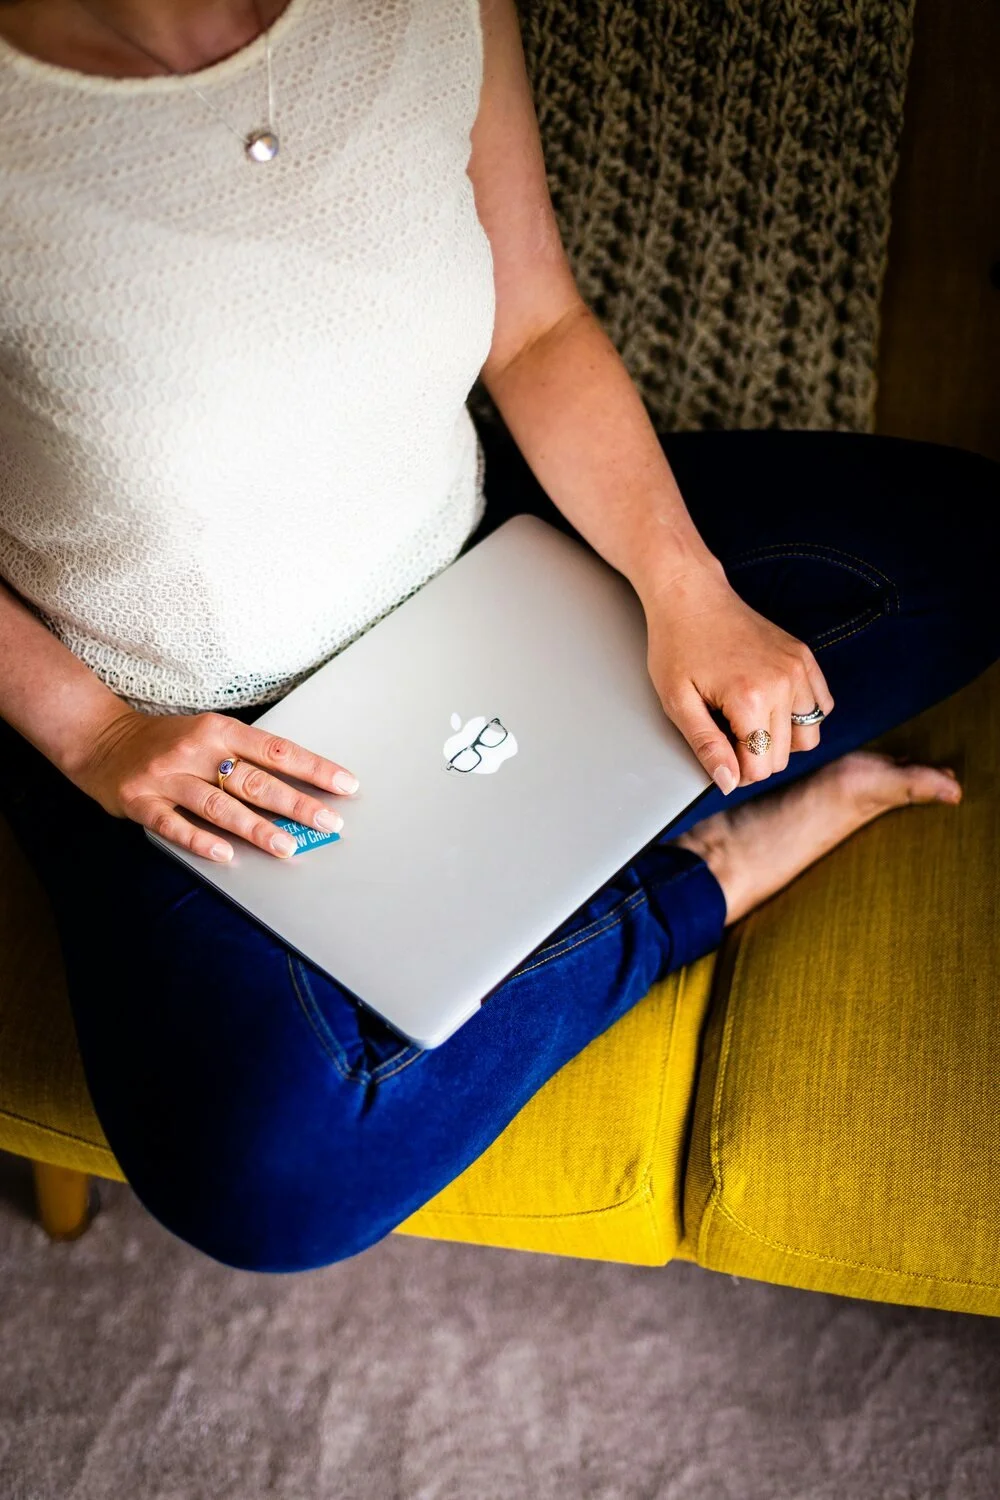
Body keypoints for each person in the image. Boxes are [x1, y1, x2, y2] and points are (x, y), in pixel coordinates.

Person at [0, 0, 996, 1272]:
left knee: (968, 547)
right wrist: (87, 730)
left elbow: (533, 327)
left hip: (484, 561)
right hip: (174, 734)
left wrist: (680, 586)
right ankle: (702, 876)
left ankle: (559, 852)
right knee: (276, 1182)